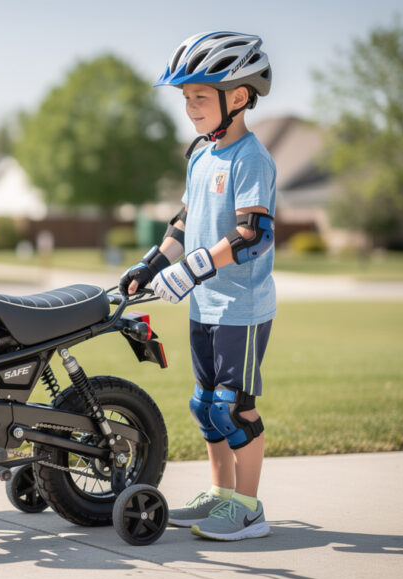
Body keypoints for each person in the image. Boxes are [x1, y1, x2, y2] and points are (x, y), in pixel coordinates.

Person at [119, 31, 276, 541]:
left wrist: (191, 268)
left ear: (239, 97)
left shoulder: (250, 158)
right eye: (185, 98)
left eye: (200, 97)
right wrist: (151, 264)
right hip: (205, 302)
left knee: (234, 406)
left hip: (242, 306)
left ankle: (249, 509)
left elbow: (253, 235)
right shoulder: (200, 154)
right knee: (205, 404)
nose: (190, 108)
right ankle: (221, 495)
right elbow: (185, 225)